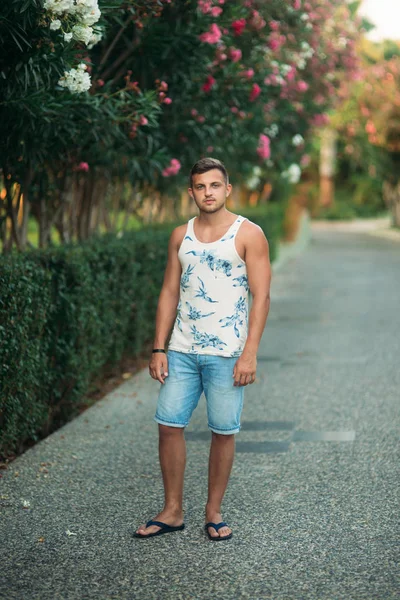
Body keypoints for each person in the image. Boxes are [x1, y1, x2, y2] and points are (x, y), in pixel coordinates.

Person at [134, 157, 271, 541]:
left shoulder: (249, 234)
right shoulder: (181, 235)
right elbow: (169, 292)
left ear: (227, 189)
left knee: (223, 431)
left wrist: (250, 352)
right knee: (168, 424)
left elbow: (261, 297)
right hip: (181, 349)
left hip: (228, 353)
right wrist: (159, 347)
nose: (207, 192)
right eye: (200, 186)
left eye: (214, 185)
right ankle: (173, 510)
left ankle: (213, 513)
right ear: (191, 191)